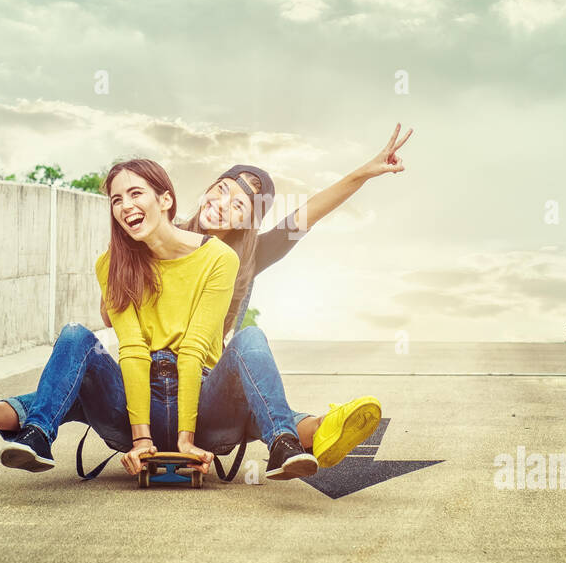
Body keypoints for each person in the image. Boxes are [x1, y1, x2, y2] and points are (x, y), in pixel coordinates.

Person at [0, 157, 318, 481]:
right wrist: (140, 438)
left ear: (166, 200)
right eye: (116, 199)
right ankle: (33, 434)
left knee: (250, 341)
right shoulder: (113, 263)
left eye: (135, 194)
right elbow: (130, 349)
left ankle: (291, 438)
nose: (126, 205)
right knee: (77, 339)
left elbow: (195, 348)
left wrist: (184, 438)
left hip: (202, 405)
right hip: (134, 400)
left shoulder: (223, 258)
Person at [98, 124, 412, 467]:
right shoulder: (161, 232)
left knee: (252, 380)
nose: (221, 205)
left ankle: (319, 430)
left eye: (238, 205)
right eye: (220, 190)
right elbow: (110, 314)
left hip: (203, 387)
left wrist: (365, 172)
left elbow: (311, 212)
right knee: (67, 375)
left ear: (248, 220)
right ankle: (30, 423)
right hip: (145, 386)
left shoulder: (250, 255)